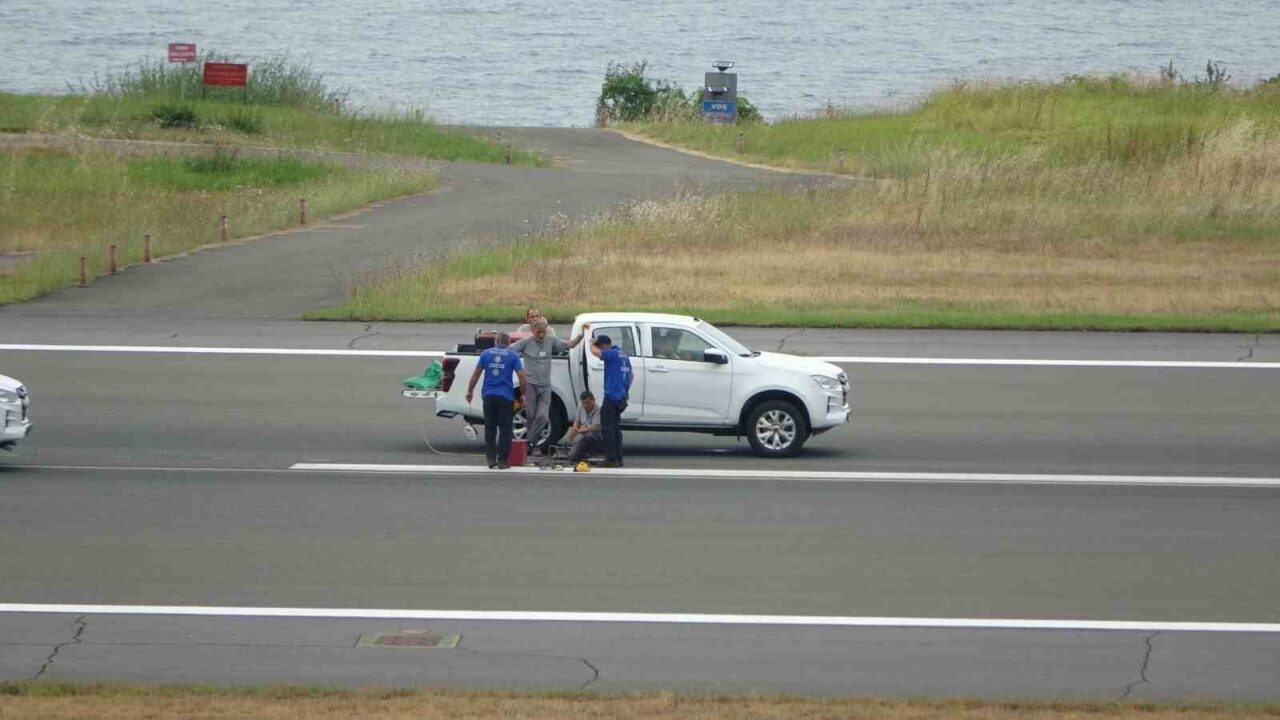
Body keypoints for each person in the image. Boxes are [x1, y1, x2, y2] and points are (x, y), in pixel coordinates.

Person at [509, 318, 585, 453]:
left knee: (543, 416)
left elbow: (570, 345)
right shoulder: (526, 343)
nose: (542, 334)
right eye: (539, 332)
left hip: (545, 386)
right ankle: (529, 446)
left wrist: (581, 335)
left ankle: (530, 442)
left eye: (544, 331)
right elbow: (510, 350)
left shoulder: (551, 341)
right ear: (533, 331)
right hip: (530, 384)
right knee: (531, 415)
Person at [465, 331, 528, 469]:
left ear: (496, 342)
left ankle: (491, 459)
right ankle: (503, 460)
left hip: (489, 395)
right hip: (506, 396)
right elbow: (522, 377)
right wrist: (523, 394)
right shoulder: (513, 356)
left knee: (490, 428)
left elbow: (476, 374)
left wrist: (470, 391)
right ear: (509, 343)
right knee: (505, 429)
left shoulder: (486, 354)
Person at [588, 333, 632, 467]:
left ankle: (611, 459)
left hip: (611, 396)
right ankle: (619, 458)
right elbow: (631, 376)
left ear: (604, 345)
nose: (600, 349)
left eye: (600, 347)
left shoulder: (611, 354)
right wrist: (624, 390)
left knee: (607, 429)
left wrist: (590, 342)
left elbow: (596, 353)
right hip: (621, 397)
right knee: (616, 429)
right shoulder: (623, 355)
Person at [565, 390, 603, 463]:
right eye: (583, 403)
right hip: (583, 431)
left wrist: (580, 431)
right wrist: (575, 428)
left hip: (595, 434)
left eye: (587, 403)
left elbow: (596, 427)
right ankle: (579, 452)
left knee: (588, 435)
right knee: (576, 438)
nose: (585, 406)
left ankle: (593, 452)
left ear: (593, 400)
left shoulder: (598, 409)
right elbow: (577, 421)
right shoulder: (580, 406)